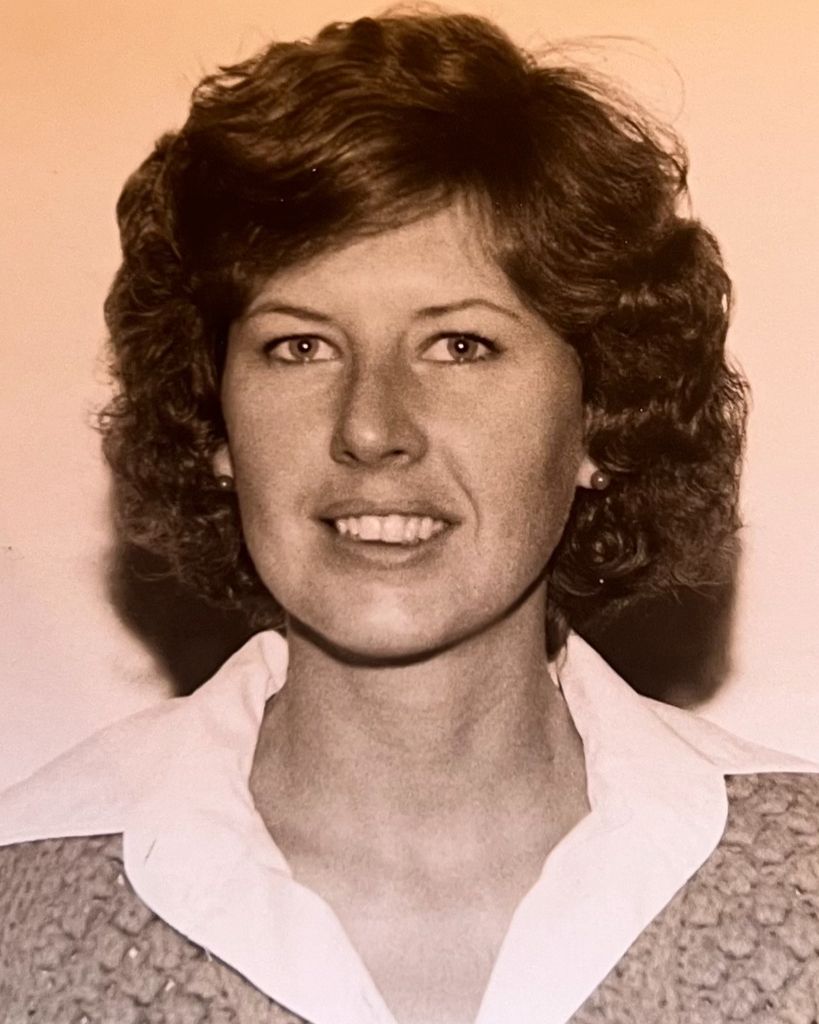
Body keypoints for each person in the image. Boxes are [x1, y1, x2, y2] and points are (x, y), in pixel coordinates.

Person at [1, 11, 816, 1024]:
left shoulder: (799, 883)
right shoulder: (22, 899)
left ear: (601, 420)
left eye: (461, 345)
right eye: (300, 347)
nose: (371, 429)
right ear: (215, 423)